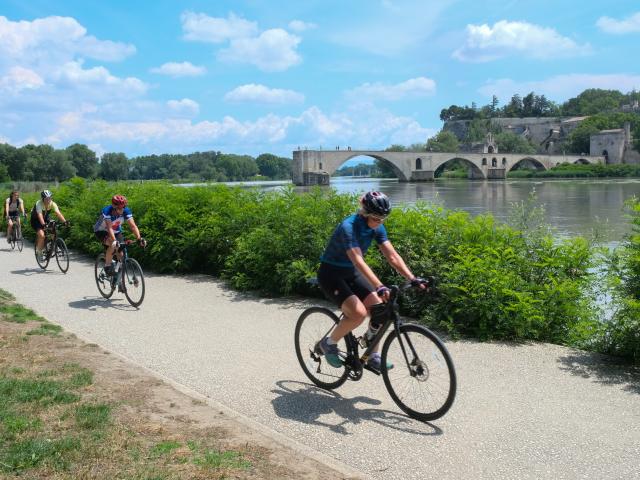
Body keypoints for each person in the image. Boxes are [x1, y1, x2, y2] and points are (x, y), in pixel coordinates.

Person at [317, 191, 427, 371]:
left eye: (383, 219)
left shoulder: (377, 226)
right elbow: (358, 261)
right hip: (331, 274)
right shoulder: (348, 227)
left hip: (351, 272)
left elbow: (392, 256)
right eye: (376, 218)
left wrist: (412, 278)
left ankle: (372, 355)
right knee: (358, 314)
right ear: (366, 213)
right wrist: (380, 286)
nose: (380, 223)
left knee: (381, 310)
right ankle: (328, 343)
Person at [93, 195, 146, 276]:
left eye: (123, 208)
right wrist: (114, 241)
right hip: (101, 231)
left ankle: (118, 279)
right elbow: (109, 228)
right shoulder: (107, 211)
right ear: (114, 207)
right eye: (119, 208)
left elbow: (133, 226)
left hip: (116, 231)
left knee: (121, 255)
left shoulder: (126, 211)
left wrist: (139, 238)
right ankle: (107, 266)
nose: (121, 210)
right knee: (112, 244)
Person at [30, 190, 68, 259]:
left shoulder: (52, 203)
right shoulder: (39, 203)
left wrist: (64, 221)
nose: (48, 200)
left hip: (45, 218)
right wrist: (44, 225)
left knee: (53, 230)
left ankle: (53, 245)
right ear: (43, 198)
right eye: (46, 198)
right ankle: (39, 252)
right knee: (42, 235)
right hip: (36, 220)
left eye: (50, 198)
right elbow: (40, 215)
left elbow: (58, 213)